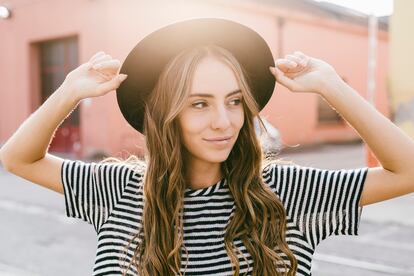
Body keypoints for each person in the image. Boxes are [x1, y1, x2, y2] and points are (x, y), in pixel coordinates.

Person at [1, 18, 414, 276]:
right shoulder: (118, 188)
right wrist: (69, 92)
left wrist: (331, 86)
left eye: (235, 100)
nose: (225, 120)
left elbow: (407, 172)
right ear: (166, 114)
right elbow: (17, 158)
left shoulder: (286, 191)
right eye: (199, 103)